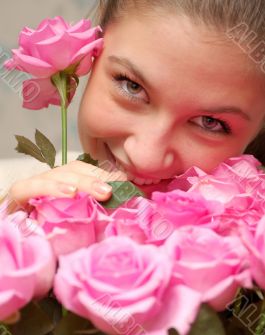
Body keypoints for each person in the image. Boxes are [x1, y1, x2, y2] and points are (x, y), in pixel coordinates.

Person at [7, 0, 265, 207]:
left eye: (210, 123)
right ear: (93, 53)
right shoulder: (18, 201)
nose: (145, 158)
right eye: (132, 86)